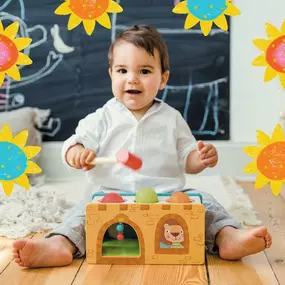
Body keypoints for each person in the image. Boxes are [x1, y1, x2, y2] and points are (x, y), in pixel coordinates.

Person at [12, 24, 272, 268]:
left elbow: (188, 161)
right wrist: (77, 153)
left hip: (166, 197)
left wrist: (201, 159)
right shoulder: (102, 117)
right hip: (112, 196)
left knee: (205, 204)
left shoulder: (171, 118)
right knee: (83, 213)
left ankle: (227, 237)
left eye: (145, 71)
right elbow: (74, 143)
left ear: (163, 79)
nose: (132, 79)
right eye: (123, 71)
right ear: (111, 74)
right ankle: (59, 245)